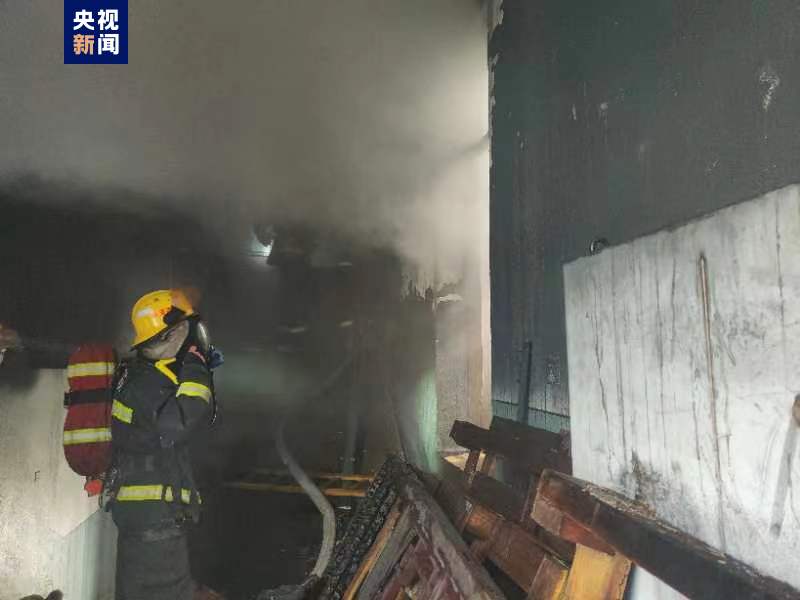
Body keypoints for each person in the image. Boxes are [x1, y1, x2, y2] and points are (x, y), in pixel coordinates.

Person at [109, 289, 223, 600]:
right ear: (171, 336)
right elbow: (178, 424)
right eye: (190, 331)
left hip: (151, 515)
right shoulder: (147, 384)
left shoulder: (148, 377)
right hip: (154, 517)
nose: (195, 340)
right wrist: (196, 367)